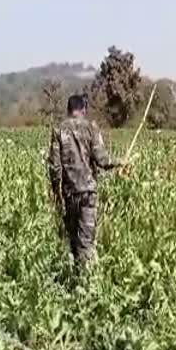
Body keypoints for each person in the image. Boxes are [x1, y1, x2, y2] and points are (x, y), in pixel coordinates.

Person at [47, 94, 125, 265]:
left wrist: (56, 193)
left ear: (69, 110)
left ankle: (71, 281)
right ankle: (86, 283)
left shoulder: (59, 130)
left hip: (70, 194)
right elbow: (102, 160)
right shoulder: (91, 128)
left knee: (71, 240)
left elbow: (54, 166)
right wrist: (120, 162)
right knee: (86, 243)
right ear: (83, 109)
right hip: (88, 193)